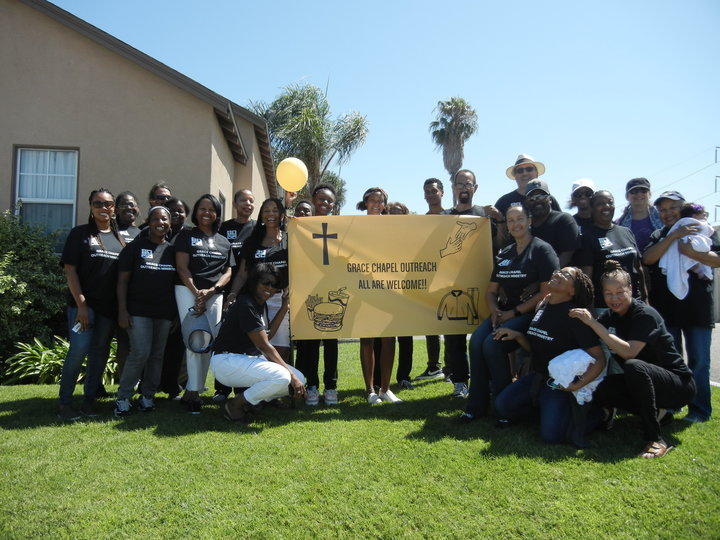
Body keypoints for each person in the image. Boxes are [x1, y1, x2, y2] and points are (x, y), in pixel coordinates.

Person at [569, 260, 696, 458]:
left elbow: (629, 352)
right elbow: (585, 339)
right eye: (608, 294)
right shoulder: (609, 317)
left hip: (678, 385)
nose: (614, 298)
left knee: (634, 366)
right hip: (643, 382)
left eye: (620, 292)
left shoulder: (645, 314)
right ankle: (654, 414)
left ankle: (655, 438)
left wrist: (593, 323)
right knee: (600, 389)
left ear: (631, 288)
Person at [461, 205, 559, 422]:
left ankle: (504, 407)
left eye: (520, 219)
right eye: (511, 220)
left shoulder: (542, 250)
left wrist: (513, 313)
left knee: (493, 344)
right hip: (503, 313)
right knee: (476, 341)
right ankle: (475, 407)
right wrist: (495, 310)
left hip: (532, 315)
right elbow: (491, 291)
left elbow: (547, 293)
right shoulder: (505, 253)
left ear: (529, 220)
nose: (516, 224)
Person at [493, 267, 605, 444]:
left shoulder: (575, 316)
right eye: (558, 271)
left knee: (552, 436)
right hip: (537, 377)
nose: (558, 273)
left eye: (566, 275)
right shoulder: (542, 306)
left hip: (558, 384)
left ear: (572, 290)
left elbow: (599, 359)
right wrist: (518, 336)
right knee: (503, 406)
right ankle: (549, 411)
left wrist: (577, 385)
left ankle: (598, 414)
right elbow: (534, 348)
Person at [643, 191, 720, 423]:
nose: (668, 213)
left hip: (698, 309)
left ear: (682, 207)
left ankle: (699, 410)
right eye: (663, 210)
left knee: (699, 362)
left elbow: (717, 258)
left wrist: (691, 253)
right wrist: (673, 237)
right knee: (672, 361)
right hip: (668, 311)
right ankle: (675, 404)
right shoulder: (659, 234)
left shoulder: (702, 229)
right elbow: (648, 258)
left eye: (672, 208)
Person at [57, 188, 126, 420]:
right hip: (83, 308)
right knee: (78, 353)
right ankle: (65, 404)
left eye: (107, 204)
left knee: (99, 356)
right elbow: (70, 270)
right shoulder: (80, 234)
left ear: (114, 208)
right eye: (98, 204)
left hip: (108, 309)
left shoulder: (119, 239)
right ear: (90, 207)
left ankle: (89, 402)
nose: (103, 208)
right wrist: (82, 305)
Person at [211, 263, 307, 423]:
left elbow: (267, 337)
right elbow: (264, 346)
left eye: (274, 285)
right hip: (226, 361)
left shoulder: (260, 304)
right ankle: (235, 405)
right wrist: (291, 376)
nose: (270, 288)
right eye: (265, 282)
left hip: (245, 359)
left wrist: (284, 307)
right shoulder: (246, 304)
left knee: (300, 378)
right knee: (284, 377)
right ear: (254, 281)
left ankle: (255, 401)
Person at [442, 170, 502, 398]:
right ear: (454, 188)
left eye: (468, 184)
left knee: (484, 336)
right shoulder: (444, 217)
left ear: (475, 188)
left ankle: (486, 381)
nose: (463, 188)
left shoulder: (484, 216)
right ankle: (460, 383)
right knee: (454, 338)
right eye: (459, 184)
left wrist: (499, 219)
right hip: (453, 286)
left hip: (484, 286)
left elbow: (500, 245)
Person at [114, 206, 177, 417]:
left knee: (157, 355)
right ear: (148, 222)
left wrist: (175, 315)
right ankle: (123, 398)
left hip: (164, 313)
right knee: (140, 352)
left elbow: (176, 285)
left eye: (165, 219)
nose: (161, 222)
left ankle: (147, 396)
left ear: (169, 224)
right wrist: (122, 310)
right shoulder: (135, 248)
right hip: (138, 311)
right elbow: (122, 282)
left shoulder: (172, 250)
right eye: (156, 219)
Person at [174, 194, 234, 413]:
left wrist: (213, 291)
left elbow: (229, 270)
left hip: (215, 294)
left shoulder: (224, 241)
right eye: (202, 209)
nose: (206, 213)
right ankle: (192, 391)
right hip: (187, 291)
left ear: (217, 213)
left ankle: (195, 388)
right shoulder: (186, 236)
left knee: (208, 340)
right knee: (193, 338)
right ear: (195, 212)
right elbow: (182, 267)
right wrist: (197, 293)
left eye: (211, 209)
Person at [229, 198, 292, 365]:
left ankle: (281, 387)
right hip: (256, 301)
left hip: (281, 300)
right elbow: (242, 274)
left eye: (274, 210)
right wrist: (233, 294)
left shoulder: (289, 240)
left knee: (282, 346)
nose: (270, 214)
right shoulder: (252, 241)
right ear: (261, 215)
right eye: (266, 210)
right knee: (259, 347)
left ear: (281, 215)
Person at [295, 184, 340, 405]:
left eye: (329, 201)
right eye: (321, 199)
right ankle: (311, 385)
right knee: (310, 343)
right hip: (308, 291)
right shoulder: (299, 227)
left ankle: (331, 387)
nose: (325, 203)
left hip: (332, 290)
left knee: (331, 341)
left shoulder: (340, 227)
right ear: (313, 199)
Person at [355, 187, 400, 403]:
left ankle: (385, 388)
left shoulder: (392, 226)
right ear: (365, 203)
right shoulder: (354, 226)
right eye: (372, 200)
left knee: (389, 338)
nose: (376, 204)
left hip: (387, 288)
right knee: (367, 339)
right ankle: (370, 390)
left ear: (384, 204)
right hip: (362, 288)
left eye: (380, 201)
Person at [213, 189, 256, 401]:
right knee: (226, 339)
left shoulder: (257, 228)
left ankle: (241, 388)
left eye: (251, 201)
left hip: (252, 294)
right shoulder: (224, 228)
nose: (247, 204)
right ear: (235, 203)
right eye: (243, 200)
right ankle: (221, 389)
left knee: (246, 342)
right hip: (228, 292)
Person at [578, 190, 646, 308]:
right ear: (592, 209)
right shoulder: (587, 237)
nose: (606, 206)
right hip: (606, 308)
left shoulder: (626, 232)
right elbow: (586, 279)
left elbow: (638, 268)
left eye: (610, 202)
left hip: (634, 304)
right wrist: (590, 311)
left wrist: (645, 298)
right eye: (600, 204)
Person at [158, 197, 192, 399]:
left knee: (177, 346)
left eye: (180, 211)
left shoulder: (190, 235)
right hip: (159, 296)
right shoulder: (155, 233)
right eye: (172, 211)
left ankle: (173, 386)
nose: (177, 214)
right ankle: (150, 385)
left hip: (182, 295)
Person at [495, 154, 561, 248]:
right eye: (520, 170)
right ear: (515, 176)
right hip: (515, 259)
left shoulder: (548, 199)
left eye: (529, 169)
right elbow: (497, 239)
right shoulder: (503, 202)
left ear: (536, 173)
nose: (524, 173)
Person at [415, 178, 445, 381]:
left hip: (449, 278)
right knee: (430, 325)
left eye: (434, 190)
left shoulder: (451, 215)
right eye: (427, 191)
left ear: (442, 192)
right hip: (427, 278)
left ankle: (453, 369)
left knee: (452, 326)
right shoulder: (421, 221)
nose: (431, 194)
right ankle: (434, 367)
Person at [523, 179, 579, 267]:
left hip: (559, 277)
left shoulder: (564, 220)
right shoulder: (524, 227)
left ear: (550, 199)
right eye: (532, 198)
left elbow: (567, 255)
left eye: (541, 196)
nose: (537, 200)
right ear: (526, 202)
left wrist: (547, 277)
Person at [614, 177, 663, 251]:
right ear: (627, 196)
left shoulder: (663, 218)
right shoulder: (618, 224)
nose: (639, 194)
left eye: (643, 191)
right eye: (634, 191)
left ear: (649, 194)